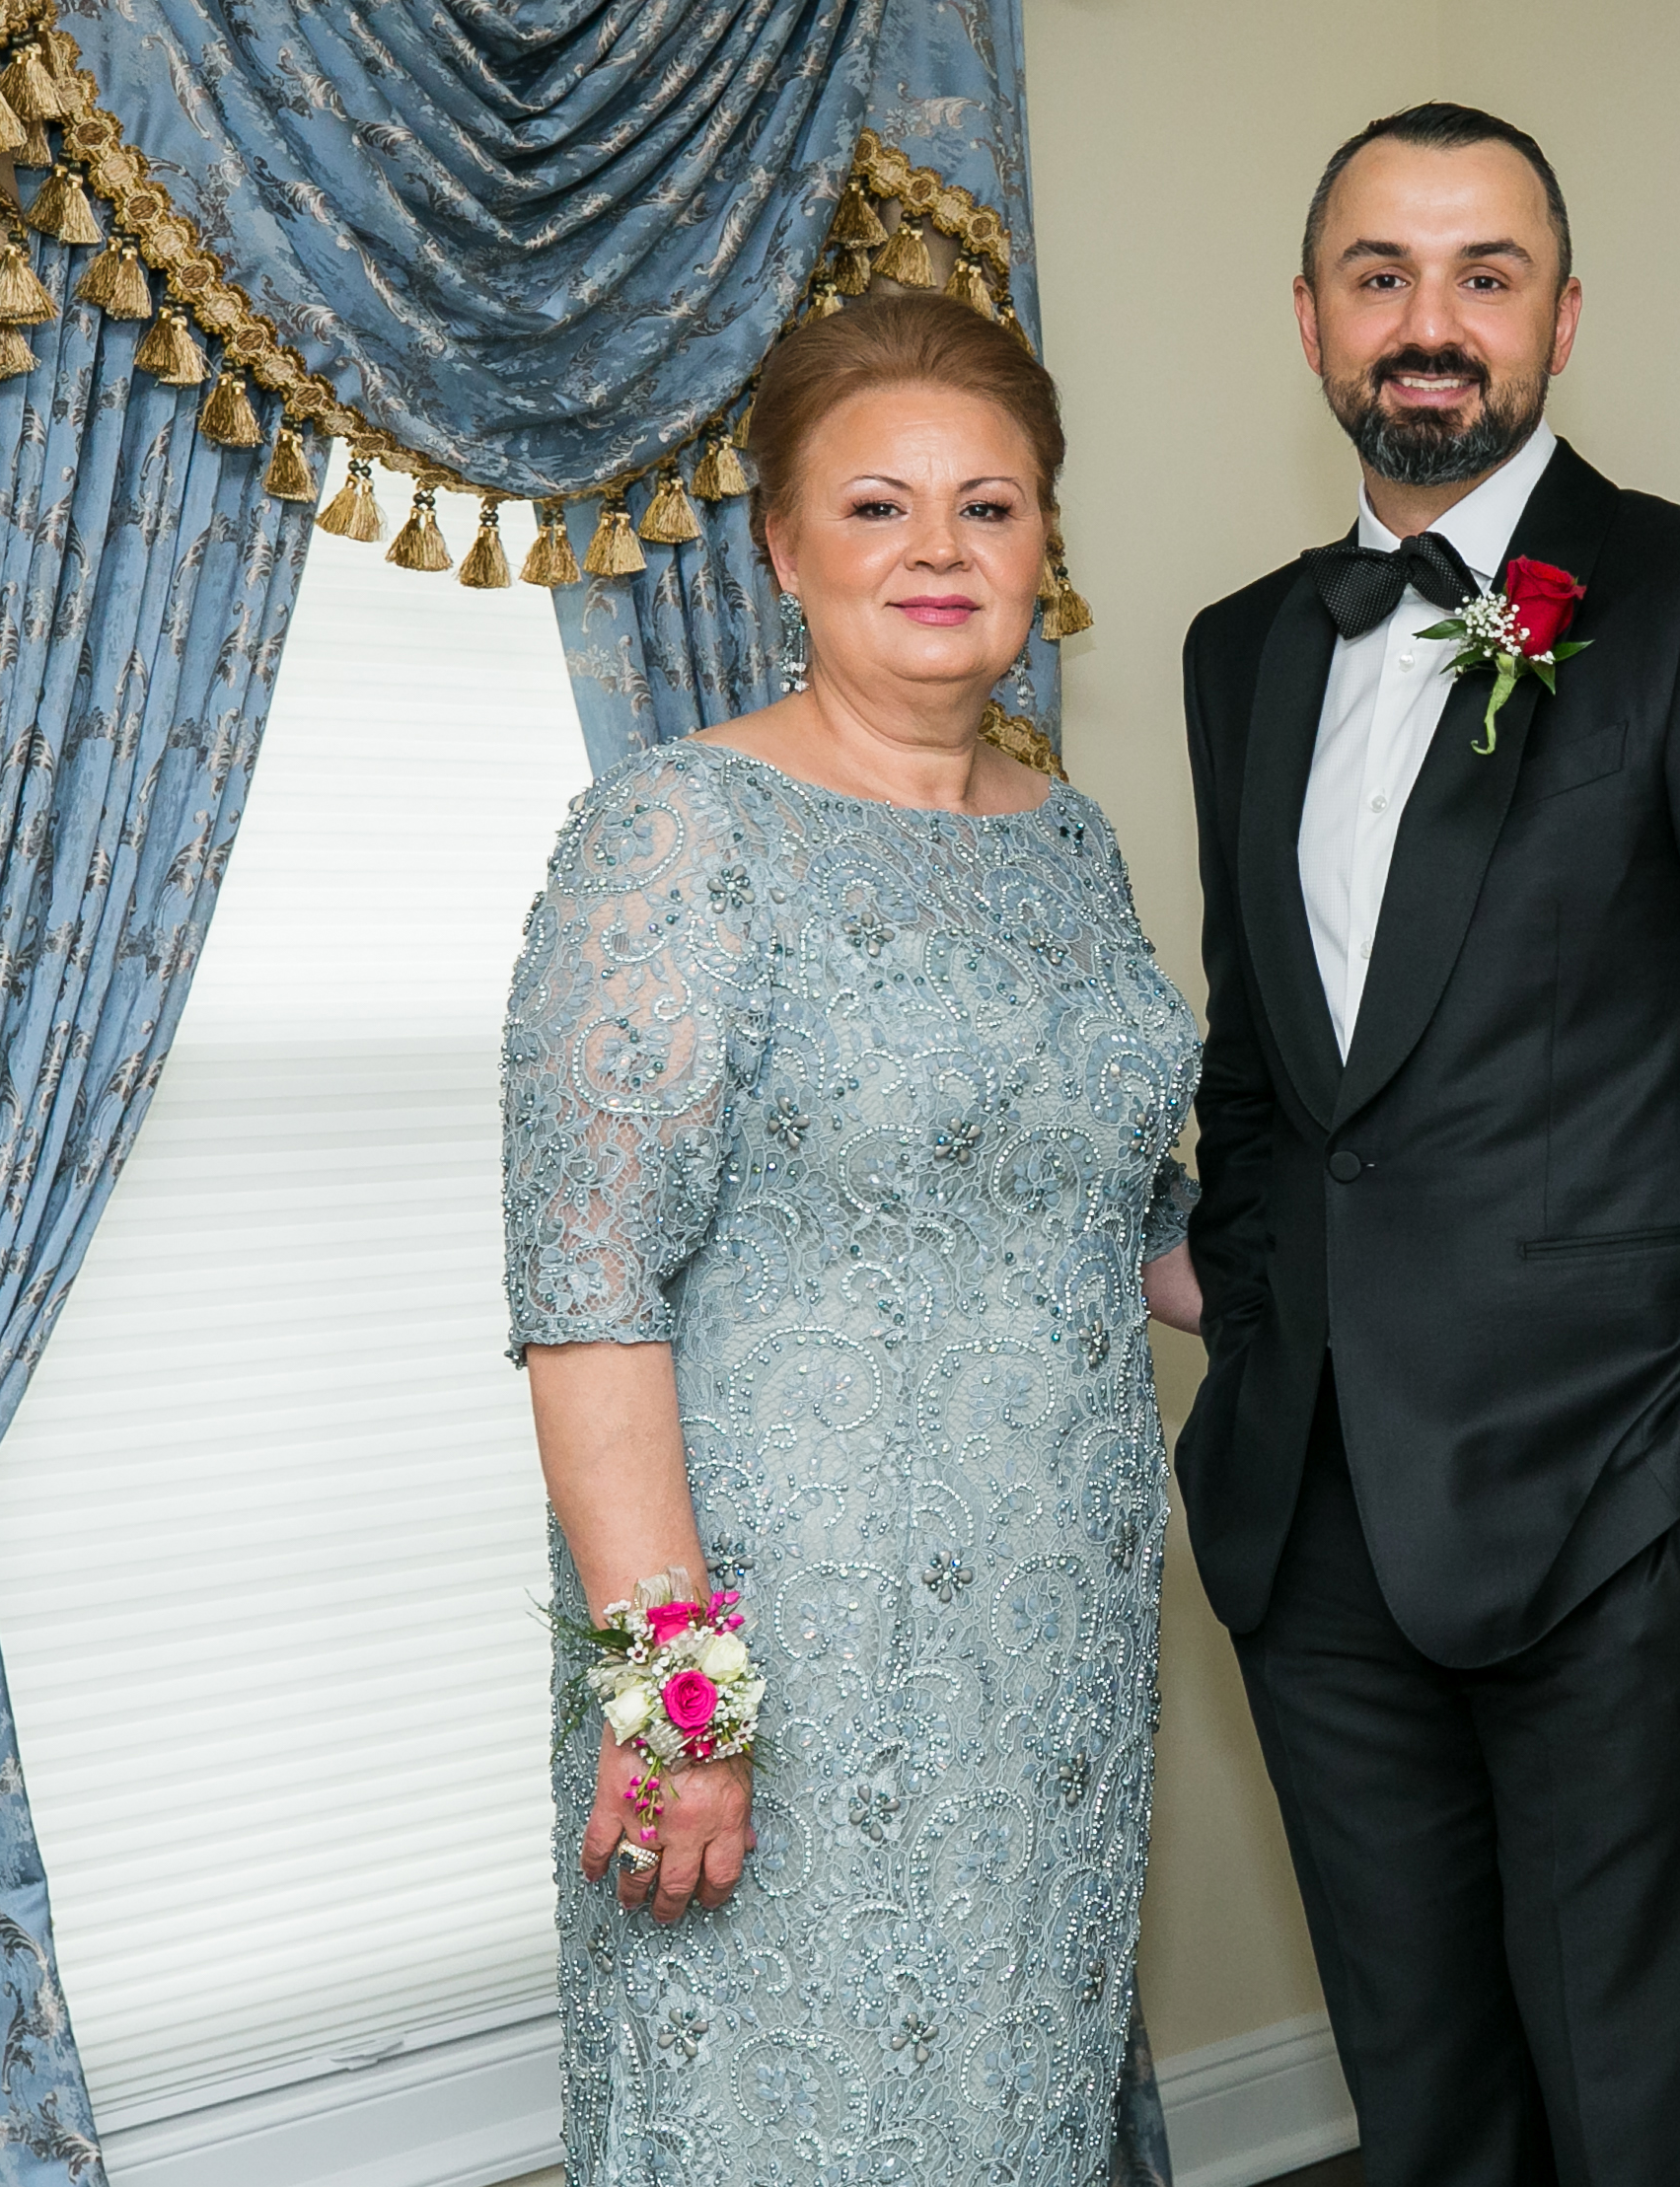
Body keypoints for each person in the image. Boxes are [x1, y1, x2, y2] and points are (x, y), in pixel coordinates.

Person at [1176, 103, 1680, 2187]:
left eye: (1484, 274)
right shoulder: (1243, 648)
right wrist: (1257, 1347)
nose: (1429, 322)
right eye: (1381, 275)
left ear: (1563, 316)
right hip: (1313, 1523)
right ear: (1311, 318)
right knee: (1423, 2106)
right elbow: (1262, 1072)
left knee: (1637, 2113)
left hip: (1628, 1519)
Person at [501, 291, 1203, 2187]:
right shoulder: (677, 836)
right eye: (878, 506)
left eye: (989, 505)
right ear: (783, 550)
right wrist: (682, 1697)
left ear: (1043, 545)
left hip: (1054, 1641)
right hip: (782, 1644)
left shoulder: (1071, 847)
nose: (937, 549)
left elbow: (1137, 1228)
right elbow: (586, 1294)